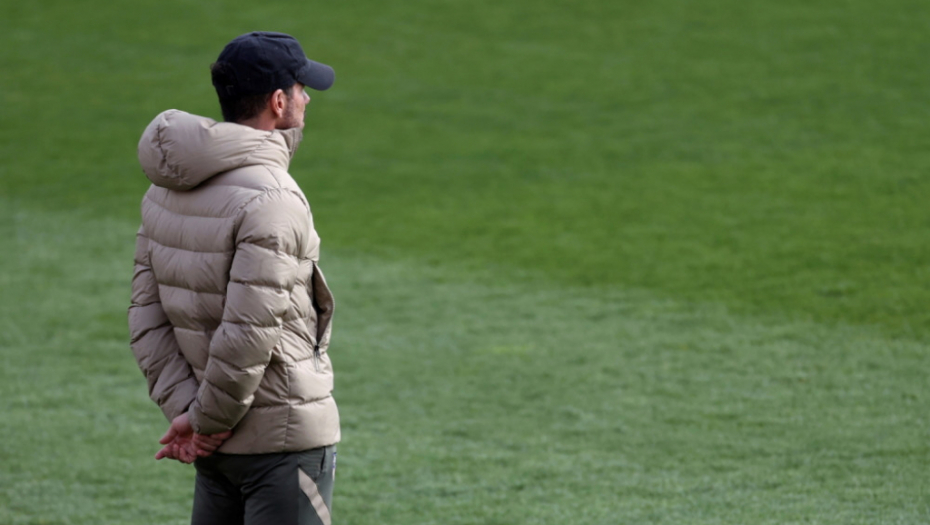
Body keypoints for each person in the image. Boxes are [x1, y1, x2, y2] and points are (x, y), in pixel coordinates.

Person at [128, 31, 340, 525]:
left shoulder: (164, 191)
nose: (308, 99)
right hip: (281, 439)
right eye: (301, 90)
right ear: (279, 102)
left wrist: (190, 414)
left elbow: (146, 317)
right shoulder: (273, 199)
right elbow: (249, 331)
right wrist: (207, 421)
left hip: (212, 443)